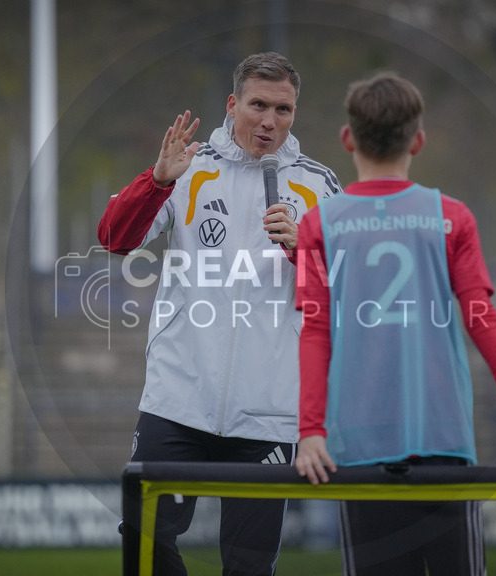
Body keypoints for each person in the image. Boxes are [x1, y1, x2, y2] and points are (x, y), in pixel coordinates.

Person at [293, 71, 496, 576]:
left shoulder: (318, 223)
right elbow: (481, 318)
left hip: (356, 446)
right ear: (419, 140)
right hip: (443, 440)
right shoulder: (452, 216)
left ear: (347, 138)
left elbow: (314, 330)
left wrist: (310, 430)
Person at [98, 52, 341, 576]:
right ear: (233, 105)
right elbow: (115, 238)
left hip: (268, 412)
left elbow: (343, 291)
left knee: (249, 566)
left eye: (284, 109)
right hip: (179, 398)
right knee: (141, 538)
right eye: (258, 105)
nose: (270, 121)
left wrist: (306, 250)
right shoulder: (189, 168)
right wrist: (157, 181)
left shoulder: (319, 186)